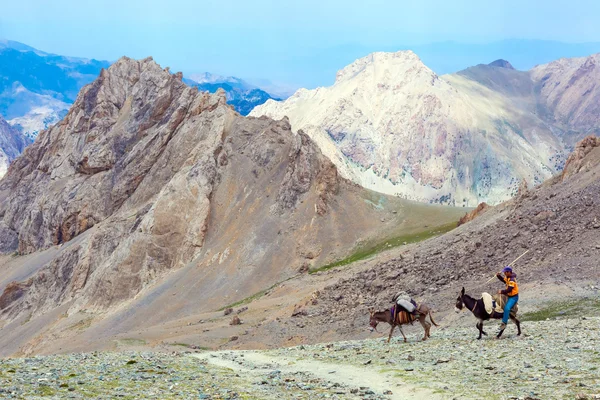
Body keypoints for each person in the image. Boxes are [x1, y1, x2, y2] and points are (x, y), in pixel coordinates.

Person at [496, 266, 519, 331]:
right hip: (508, 295)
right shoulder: (508, 277)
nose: (504, 274)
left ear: (509, 272)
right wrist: (498, 276)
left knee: (507, 308)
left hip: (513, 297)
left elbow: (509, 289)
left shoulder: (512, 280)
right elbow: (504, 281)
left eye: (505, 272)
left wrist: (502, 291)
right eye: (504, 272)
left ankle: (504, 323)